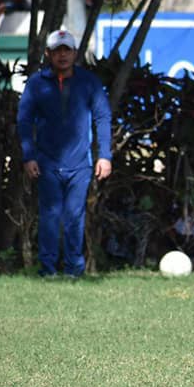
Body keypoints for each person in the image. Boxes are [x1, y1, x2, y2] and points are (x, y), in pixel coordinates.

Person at [18, 28, 112, 278]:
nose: (62, 55)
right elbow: (24, 120)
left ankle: (74, 270)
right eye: (57, 51)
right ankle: (47, 270)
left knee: (74, 217)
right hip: (46, 162)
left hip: (80, 164)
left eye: (66, 50)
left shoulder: (89, 82)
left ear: (75, 53)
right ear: (48, 53)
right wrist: (28, 156)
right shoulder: (37, 84)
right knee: (49, 217)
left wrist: (105, 155)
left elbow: (103, 117)